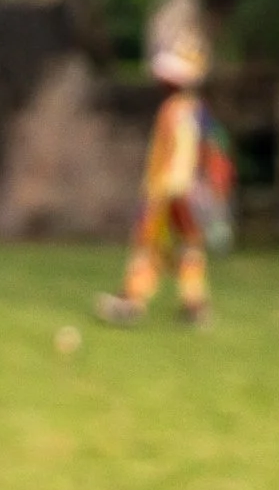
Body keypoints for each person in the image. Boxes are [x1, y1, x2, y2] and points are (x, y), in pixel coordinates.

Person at [98, 32, 233, 329]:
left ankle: (132, 300)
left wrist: (164, 192)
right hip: (187, 191)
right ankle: (195, 305)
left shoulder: (177, 110)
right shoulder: (198, 111)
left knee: (149, 246)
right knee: (188, 248)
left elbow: (181, 155)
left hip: (170, 191)